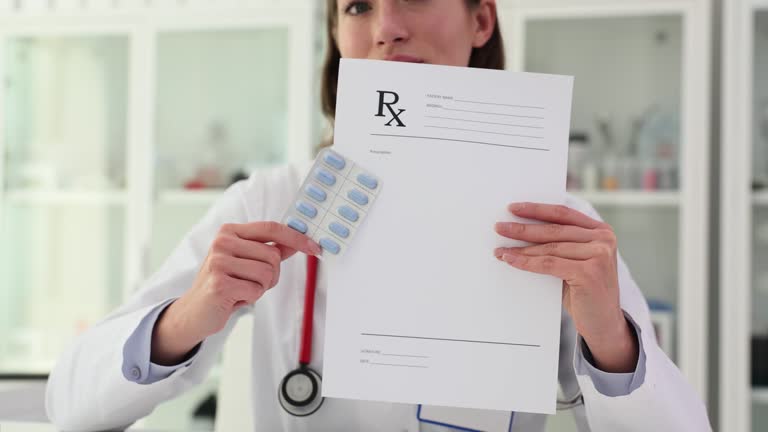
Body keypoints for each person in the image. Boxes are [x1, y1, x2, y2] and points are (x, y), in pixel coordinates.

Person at [46, 1, 711, 431]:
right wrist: (191, 316)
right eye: (357, 5)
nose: (386, 24)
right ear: (339, 36)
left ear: (482, 20)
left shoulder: (557, 223)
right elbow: (69, 402)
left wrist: (611, 342)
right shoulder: (271, 202)